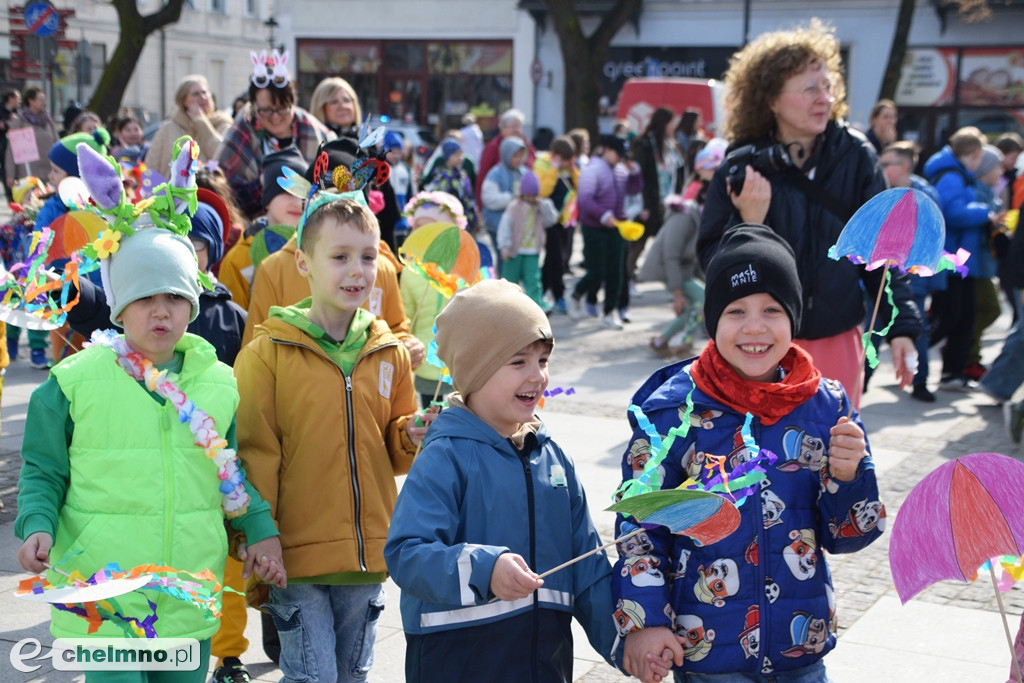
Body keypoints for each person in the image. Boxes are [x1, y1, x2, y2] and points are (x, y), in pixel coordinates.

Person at [15, 209, 286, 682]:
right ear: (119, 307)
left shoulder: (220, 385)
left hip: (186, 597)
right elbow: (43, 470)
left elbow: (232, 474)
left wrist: (260, 530)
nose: (161, 310)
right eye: (144, 298)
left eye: (175, 297)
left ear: (193, 302)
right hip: (103, 595)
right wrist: (37, 522)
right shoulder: (72, 384)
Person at [615, 224, 885, 682]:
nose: (755, 327)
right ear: (713, 320)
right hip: (709, 652)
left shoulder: (829, 405)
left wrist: (847, 475)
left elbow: (849, 535)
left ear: (794, 318)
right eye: (736, 311)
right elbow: (639, 527)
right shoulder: (674, 411)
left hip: (800, 649)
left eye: (772, 310)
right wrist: (645, 624)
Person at [384, 278, 637, 683]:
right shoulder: (446, 455)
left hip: (543, 664)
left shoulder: (554, 459)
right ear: (474, 371)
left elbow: (589, 569)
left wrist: (628, 644)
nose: (537, 376)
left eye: (542, 360)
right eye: (518, 361)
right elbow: (407, 554)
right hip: (457, 663)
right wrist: (487, 569)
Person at [234, 197, 432, 683]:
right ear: (303, 261)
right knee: (313, 677)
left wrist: (409, 432)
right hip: (293, 554)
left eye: (368, 256)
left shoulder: (388, 351)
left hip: (365, 554)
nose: (357, 270)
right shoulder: (266, 354)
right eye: (339, 256)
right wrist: (257, 535)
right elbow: (251, 453)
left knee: (352, 676)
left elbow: (392, 445)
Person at [698, 19, 920, 409]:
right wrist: (752, 222)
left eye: (828, 86)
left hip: (836, 337)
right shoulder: (741, 165)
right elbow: (712, 263)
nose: (825, 98)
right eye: (809, 88)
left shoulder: (856, 155)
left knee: (831, 454)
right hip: (758, 342)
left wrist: (901, 325)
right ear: (770, 99)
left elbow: (883, 251)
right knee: (756, 461)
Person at [923, 126, 1000, 391]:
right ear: (976, 152)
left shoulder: (956, 173)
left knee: (963, 315)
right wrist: (985, 212)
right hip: (952, 258)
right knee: (953, 315)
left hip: (960, 259)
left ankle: (953, 372)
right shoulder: (953, 176)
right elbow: (953, 212)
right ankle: (924, 356)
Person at [216, 50, 333, 218]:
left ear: (293, 102)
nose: (276, 117)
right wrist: (261, 185)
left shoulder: (315, 132)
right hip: (255, 227)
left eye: (282, 109)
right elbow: (226, 196)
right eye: (266, 111)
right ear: (254, 107)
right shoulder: (241, 133)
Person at [641, 139, 727, 358]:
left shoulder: (697, 215)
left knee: (693, 308)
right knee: (703, 302)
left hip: (684, 269)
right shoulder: (685, 215)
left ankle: (661, 341)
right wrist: (677, 292)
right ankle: (684, 343)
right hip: (673, 270)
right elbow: (671, 254)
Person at [878, 141, 943, 402]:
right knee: (872, 330)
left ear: (904, 166)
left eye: (886, 164)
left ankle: (920, 381)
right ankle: (859, 385)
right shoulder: (878, 190)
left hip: (910, 274)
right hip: (875, 275)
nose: (880, 169)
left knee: (916, 328)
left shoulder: (925, 194)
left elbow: (931, 236)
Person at [567, 134, 642, 330]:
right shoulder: (592, 170)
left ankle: (610, 311)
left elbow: (634, 190)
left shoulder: (621, 170)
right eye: (618, 153)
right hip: (594, 228)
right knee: (597, 271)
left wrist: (635, 174)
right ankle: (576, 293)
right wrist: (603, 216)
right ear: (607, 150)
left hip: (616, 227)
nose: (621, 158)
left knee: (615, 272)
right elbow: (584, 200)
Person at [219, 148, 307, 311]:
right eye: (287, 192)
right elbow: (234, 319)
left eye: (303, 195)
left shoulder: (315, 250)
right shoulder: (240, 258)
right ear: (267, 200)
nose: (297, 203)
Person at [630, 106, 684, 298]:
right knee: (639, 242)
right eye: (671, 122)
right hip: (650, 203)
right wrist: (643, 205)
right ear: (664, 123)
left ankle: (671, 285)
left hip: (668, 203)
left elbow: (678, 169)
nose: (675, 126)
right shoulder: (645, 144)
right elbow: (640, 177)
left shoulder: (670, 144)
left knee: (668, 245)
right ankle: (629, 279)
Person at [964, 144, 1006, 382]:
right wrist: (989, 218)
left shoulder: (989, 193)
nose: (1000, 172)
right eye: (997, 166)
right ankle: (965, 354)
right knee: (990, 309)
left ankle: (970, 357)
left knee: (983, 310)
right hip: (974, 264)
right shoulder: (977, 193)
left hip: (983, 263)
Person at [148, 75, 232, 177]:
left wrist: (201, 123)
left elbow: (222, 155)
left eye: (205, 92)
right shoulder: (168, 129)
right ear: (184, 101)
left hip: (208, 190)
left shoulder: (223, 124)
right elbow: (151, 166)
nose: (203, 97)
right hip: (169, 191)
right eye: (196, 94)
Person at [497, 169, 557, 310]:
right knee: (510, 280)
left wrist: (544, 206)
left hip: (532, 250)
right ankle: (506, 305)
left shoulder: (540, 207)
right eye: (528, 195)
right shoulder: (514, 207)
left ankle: (536, 305)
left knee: (533, 280)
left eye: (534, 195)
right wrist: (504, 246)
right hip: (514, 250)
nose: (531, 198)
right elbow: (505, 227)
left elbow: (551, 221)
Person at [533, 135, 578, 313]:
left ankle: (545, 293)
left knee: (558, 257)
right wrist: (553, 170)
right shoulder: (542, 164)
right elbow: (542, 190)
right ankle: (556, 295)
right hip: (549, 219)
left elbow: (579, 187)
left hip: (566, 219)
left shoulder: (570, 167)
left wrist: (573, 171)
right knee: (556, 257)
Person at [481, 135, 528, 274]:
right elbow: (489, 198)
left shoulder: (523, 172)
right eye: (515, 156)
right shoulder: (495, 173)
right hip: (496, 223)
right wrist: (512, 198)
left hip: (516, 226)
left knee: (513, 258)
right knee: (503, 257)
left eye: (521, 156)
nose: (518, 159)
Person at [475, 108, 537, 210]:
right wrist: (480, 207)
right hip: (500, 206)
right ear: (502, 128)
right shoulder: (493, 147)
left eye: (518, 127)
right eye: (512, 127)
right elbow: (482, 177)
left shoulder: (527, 147)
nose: (516, 130)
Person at [4, 86, 58, 188]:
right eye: (40, 99)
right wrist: (10, 175)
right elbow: (11, 150)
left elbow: (57, 144)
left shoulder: (48, 121)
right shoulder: (20, 121)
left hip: (49, 175)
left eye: (44, 99)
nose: (44, 102)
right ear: (31, 101)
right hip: (28, 176)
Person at [425, 138, 478, 230]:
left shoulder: (462, 175)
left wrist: (473, 217)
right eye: (456, 155)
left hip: (465, 219)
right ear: (447, 156)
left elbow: (468, 197)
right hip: (448, 220)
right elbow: (438, 199)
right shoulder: (442, 176)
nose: (460, 158)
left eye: (461, 154)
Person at [0, 89, 21, 201]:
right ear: (10, 99)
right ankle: (10, 196)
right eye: (17, 97)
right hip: (3, 146)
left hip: (16, 146)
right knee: (5, 170)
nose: (19, 100)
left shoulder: (18, 112)